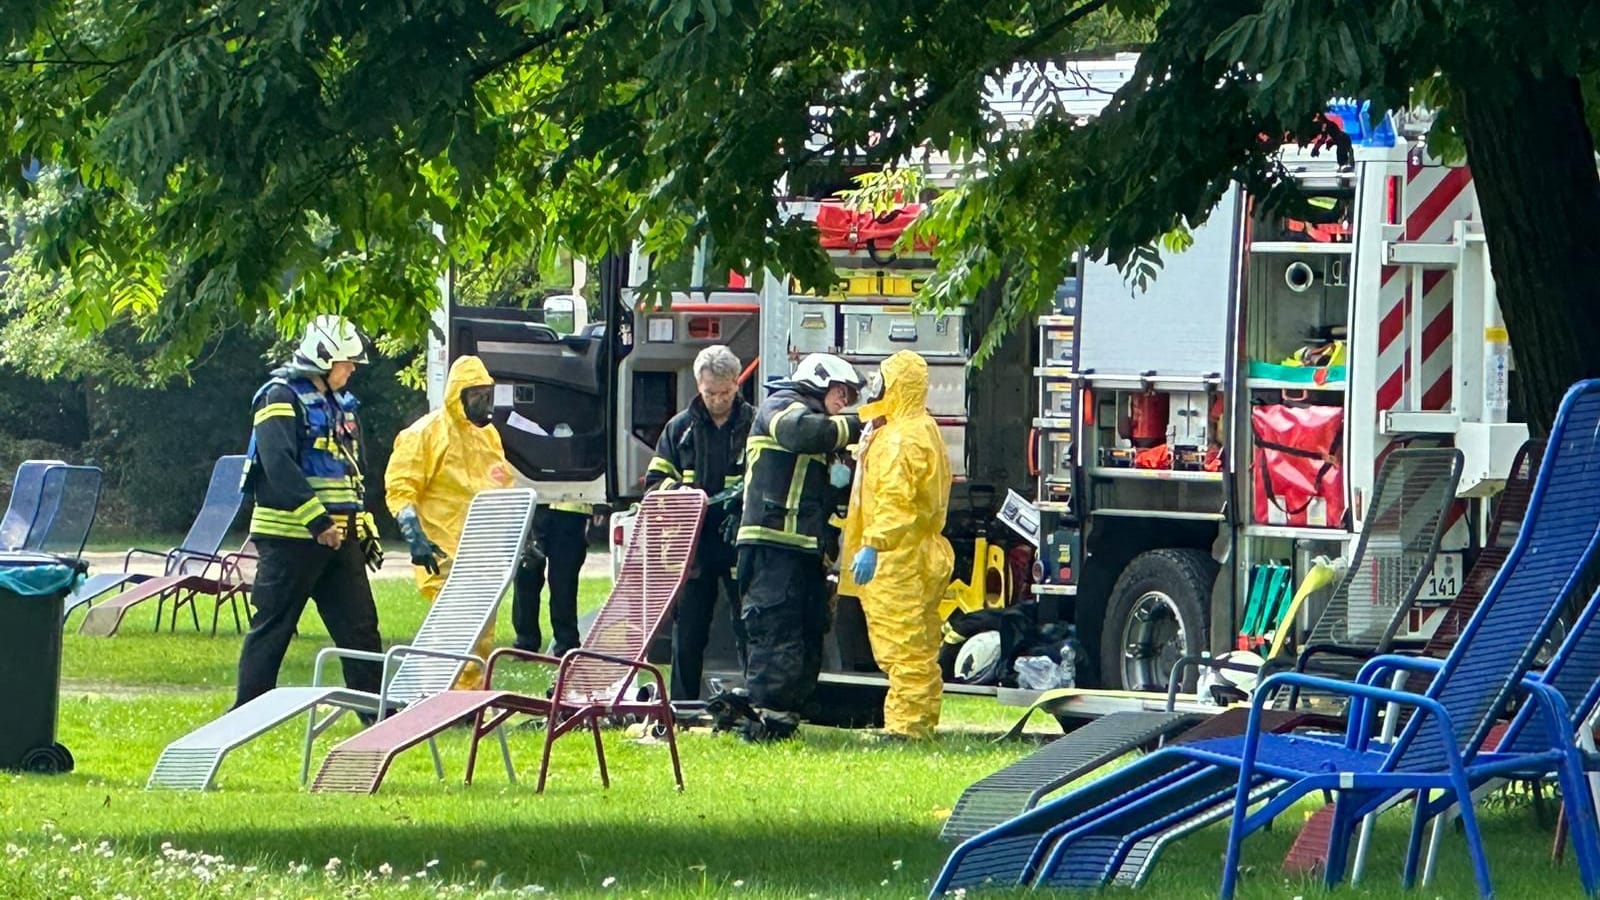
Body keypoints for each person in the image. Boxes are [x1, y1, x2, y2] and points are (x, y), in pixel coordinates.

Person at [234, 315, 385, 710]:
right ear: (323, 359)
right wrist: (318, 521)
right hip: (290, 538)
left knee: (361, 630)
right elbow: (278, 464)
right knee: (274, 628)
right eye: (347, 362)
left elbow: (351, 469)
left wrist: (359, 524)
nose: (352, 370)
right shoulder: (278, 397)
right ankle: (246, 713)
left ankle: (377, 714)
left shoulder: (340, 403)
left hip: (340, 538)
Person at [733, 353, 864, 741]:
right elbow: (801, 433)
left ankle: (787, 713)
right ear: (819, 382)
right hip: (772, 545)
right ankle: (765, 718)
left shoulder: (821, 424)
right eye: (842, 394)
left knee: (807, 630)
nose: (844, 404)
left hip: (803, 549)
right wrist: (860, 425)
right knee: (775, 627)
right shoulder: (781, 406)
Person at [840, 350, 954, 741]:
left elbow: (894, 501)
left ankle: (906, 727)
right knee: (920, 646)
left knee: (901, 645)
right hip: (920, 551)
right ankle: (920, 722)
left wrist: (872, 544)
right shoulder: (923, 428)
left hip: (897, 557)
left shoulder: (898, 439)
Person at [385, 354, 518, 689]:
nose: (483, 404)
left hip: (482, 552)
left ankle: (468, 702)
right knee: (452, 629)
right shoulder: (424, 434)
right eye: (475, 396)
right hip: (443, 550)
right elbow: (402, 488)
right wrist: (412, 532)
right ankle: (441, 698)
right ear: (456, 395)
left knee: (481, 631)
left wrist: (518, 534)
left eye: (486, 395)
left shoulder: (487, 437)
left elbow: (503, 487)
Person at [645, 344, 754, 701]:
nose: (719, 400)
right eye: (710, 393)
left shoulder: (755, 425)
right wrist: (686, 495)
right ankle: (680, 705)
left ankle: (754, 701)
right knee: (688, 629)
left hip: (739, 542)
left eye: (725, 392)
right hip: (692, 546)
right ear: (698, 385)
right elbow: (654, 484)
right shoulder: (679, 430)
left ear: (737, 384)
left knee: (749, 626)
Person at [512, 501, 593, 657]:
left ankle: (563, 645)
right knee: (527, 578)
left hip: (567, 512)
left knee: (563, 584)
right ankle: (527, 644)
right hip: (538, 511)